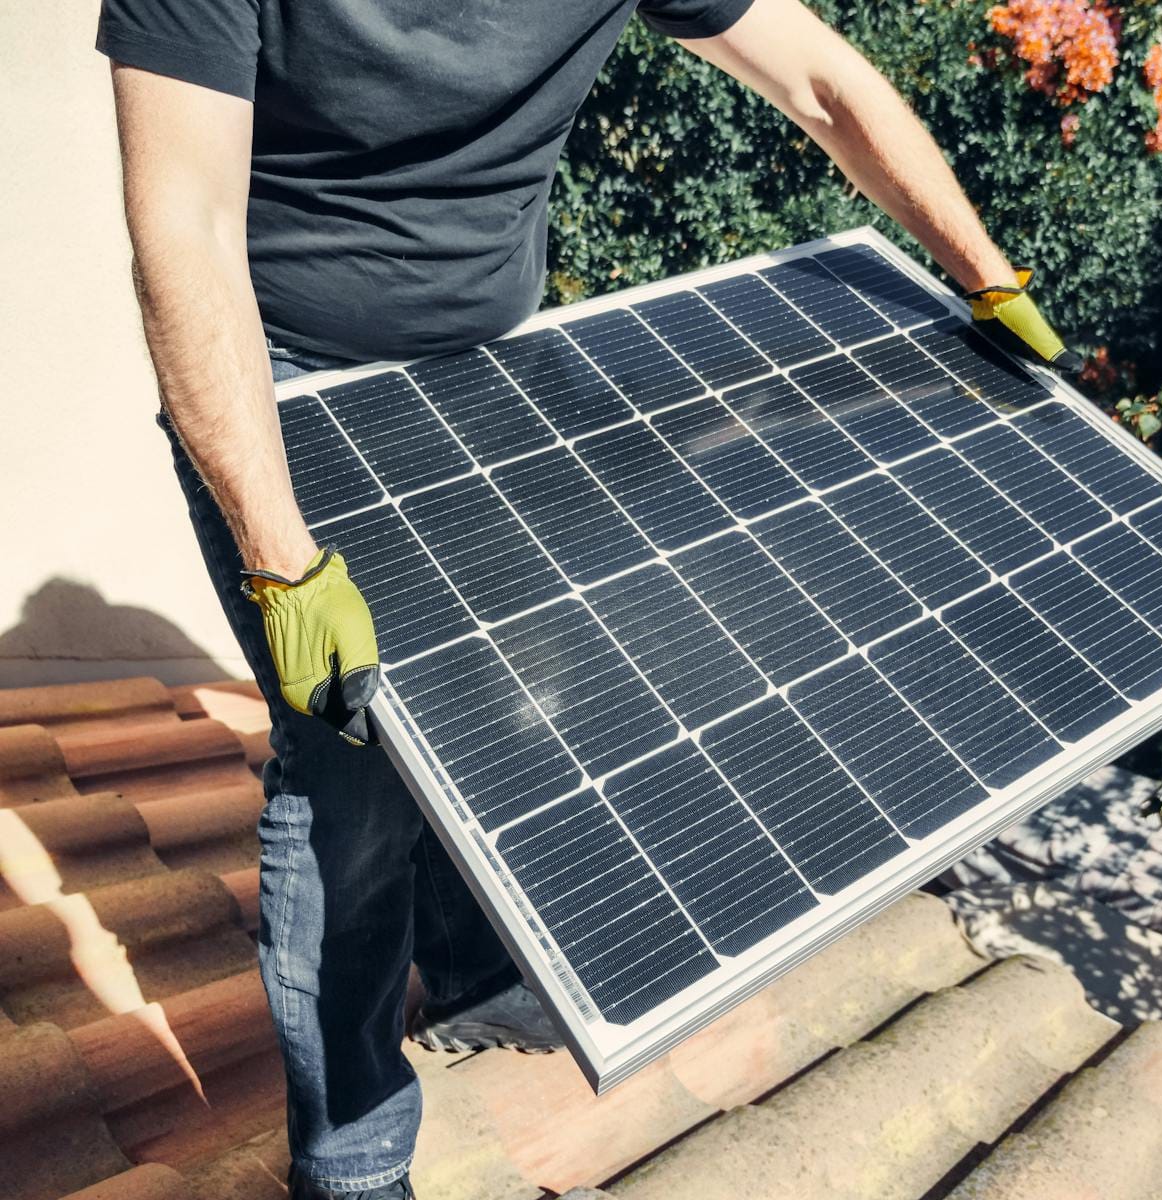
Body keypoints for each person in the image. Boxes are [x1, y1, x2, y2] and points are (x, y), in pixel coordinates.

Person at [99, 1, 1075, 1195]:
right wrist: (279, 555)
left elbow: (819, 81)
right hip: (284, 380)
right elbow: (182, 228)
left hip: (492, 365)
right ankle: (348, 1162)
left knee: (478, 694)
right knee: (346, 773)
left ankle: (467, 973)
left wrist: (982, 269)